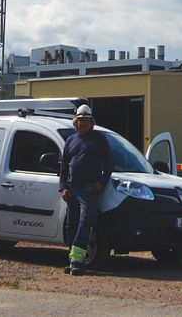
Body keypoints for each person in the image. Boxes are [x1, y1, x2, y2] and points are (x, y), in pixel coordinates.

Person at [59, 103, 113, 274]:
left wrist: (101, 183)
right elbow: (64, 167)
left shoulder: (99, 139)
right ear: (75, 122)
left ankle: (77, 260)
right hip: (72, 189)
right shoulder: (71, 141)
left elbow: (109, 163)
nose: (82, 123)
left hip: (89, 190)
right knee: (71, 224)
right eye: (80, 120)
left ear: (91, 123)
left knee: (85, 222)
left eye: (86, 121)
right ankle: (72, 258)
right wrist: (63, 188)